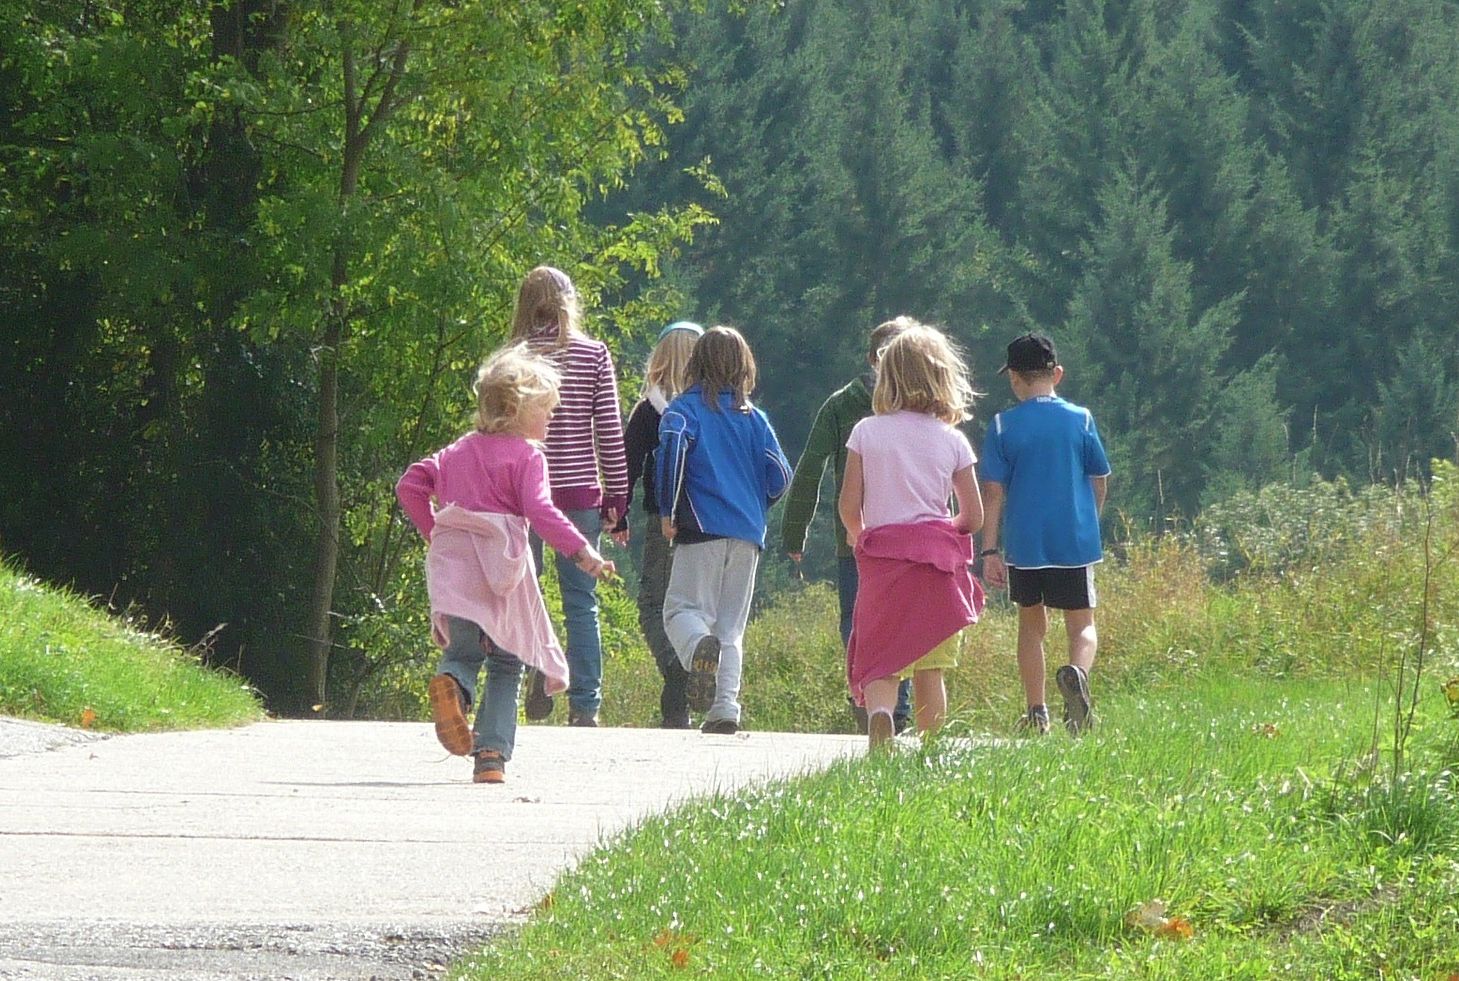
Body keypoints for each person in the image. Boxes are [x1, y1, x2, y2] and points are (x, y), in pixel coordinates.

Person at [396, 345, 616, 784]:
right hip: (503, 574)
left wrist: (438, 533)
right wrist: (581, 551)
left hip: (455, 571)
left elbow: (409, 486)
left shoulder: (455, 452)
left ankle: (453, 690)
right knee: (506, 663)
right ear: (518, 409)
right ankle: (491, 756)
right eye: (548, 411)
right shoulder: (527, 456)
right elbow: (540, 511)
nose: (552, 420)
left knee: (461, 652)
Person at [839, 322, 986, 750]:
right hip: (935, 566)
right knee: (930, 667)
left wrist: (861, 537)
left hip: (884, 561)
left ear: (887, 377)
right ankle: (931, 745)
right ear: (944, 376)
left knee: (881, 659)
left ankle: (881, 717)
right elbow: (972, 516)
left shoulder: (866, 432)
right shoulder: (953, 440)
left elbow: (849, 506)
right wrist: (943, 532)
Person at [656, 326, 792, 735]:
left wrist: (667, 508)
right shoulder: (756, 418)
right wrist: (756, 504)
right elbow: (781, 475)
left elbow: (673, 456)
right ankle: (724, 708)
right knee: (731, 626)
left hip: (700, 526)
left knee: (681, 611)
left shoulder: (683, 411)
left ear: (697, 363)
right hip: (748, 532)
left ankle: (698, 647)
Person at [782, 317, 915, 734]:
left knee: (855, 621)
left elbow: (809, 469)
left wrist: (795, 531)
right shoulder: (924, 406)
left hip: (855, 537)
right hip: (908, 540)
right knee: (905, 620)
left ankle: (870, 698)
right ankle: (897, 709)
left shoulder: (843, 403)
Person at [510, 266, 630, 728]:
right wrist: (616, 500)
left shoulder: (514, 358)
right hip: (579, 491)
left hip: (522, 493)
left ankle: (534, 675)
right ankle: (585, 704)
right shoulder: (593, 354)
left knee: (525, 592)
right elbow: (610, 434)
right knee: (582, 601)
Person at [978, 332, 1110, 736]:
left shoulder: (1002, 426)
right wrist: (1090, 520)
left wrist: (989, 551)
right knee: (1082, 624)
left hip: (1025, 544)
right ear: (1057, 374)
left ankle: (1037, 713)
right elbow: (1099, 478)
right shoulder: (1081, 419)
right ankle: (1077, 676)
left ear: (1014, 378)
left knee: (1031, 627)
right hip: (1074, 539)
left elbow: (994, 492)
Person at [619, 320, 704, 728]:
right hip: (710, 523)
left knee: (653, 604)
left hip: (662, 520)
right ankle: (685, 692)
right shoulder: (716, 410)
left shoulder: (648, 412)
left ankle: (676, 669)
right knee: (694, 608)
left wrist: (617, 515)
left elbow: (627, 469)